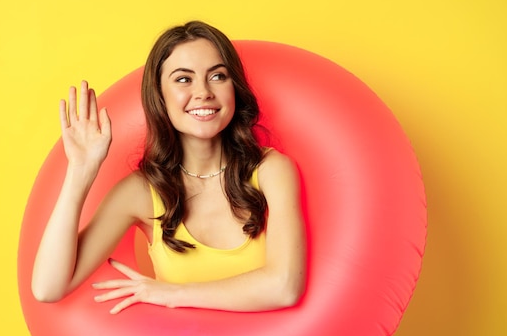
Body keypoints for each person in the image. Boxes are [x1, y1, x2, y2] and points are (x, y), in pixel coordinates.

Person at [31, 21, 306, 314]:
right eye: (183, 80)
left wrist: (171, 294)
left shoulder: (270, 170)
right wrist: (80, 171)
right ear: (159, 97)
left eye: (217, 76)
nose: (203, 92)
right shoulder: (140, 192)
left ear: (234, 88)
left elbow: (284, 287)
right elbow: (48, 288)